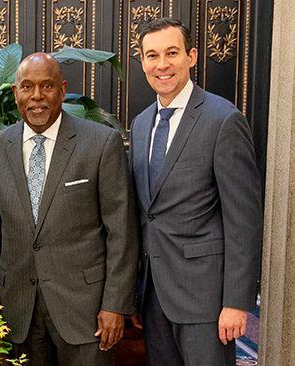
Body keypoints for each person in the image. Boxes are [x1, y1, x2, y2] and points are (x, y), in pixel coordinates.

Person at [0, 52, 138, 366]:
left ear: (62, 90)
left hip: (86, 314)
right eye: (27, 87)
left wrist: (115, 305)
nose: (37, 96)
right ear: (15, 93)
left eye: (47, 86)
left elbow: (121, 232)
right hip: (18, 314)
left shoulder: (101, 144)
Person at [129, 18, 263, 366]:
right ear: (142, 61)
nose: (162, 65)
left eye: (171, 53)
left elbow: (243, 221)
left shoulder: (223, 120)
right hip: (154, 296)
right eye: (152, 55)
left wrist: (236, 302)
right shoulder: (141, 124)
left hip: (207, 301)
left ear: (192, 56)